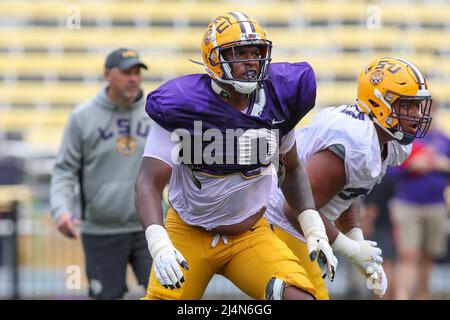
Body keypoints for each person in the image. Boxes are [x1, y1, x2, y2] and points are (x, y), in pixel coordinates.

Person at [135, 12, 337, 300]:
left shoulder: (278, 102)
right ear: (214, 59)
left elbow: (292, 170)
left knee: (301, 298)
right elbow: (147, 183)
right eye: (239, 54)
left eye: (256, 53)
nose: (250, 62)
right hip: (188, 231)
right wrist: (158, 242)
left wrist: (313, 227)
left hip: (250, 234)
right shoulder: (184, 105)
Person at [265, 57, 433, 299]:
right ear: (379, 103)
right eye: (408, 105)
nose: (416, 114)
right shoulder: (357, 142)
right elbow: (294, 206)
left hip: (297, 227)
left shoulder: (384, 141)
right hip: (277, 222)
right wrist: (350, 249)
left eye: (418, 106)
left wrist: (357, 237)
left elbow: (349, 188)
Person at [50, 48, 153, 299]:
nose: (133, 78)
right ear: (107, 74)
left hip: (150, 228)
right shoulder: (83, 117)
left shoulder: (156, 113)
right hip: (101, 232)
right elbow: (64, 169)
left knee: (168, 295)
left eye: (137, 72)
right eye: (126, 72)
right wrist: (61, 210)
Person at [390, 101, 450, 300]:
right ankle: (403, 295)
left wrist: (443, 166)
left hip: (436, 205)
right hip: (408, 204)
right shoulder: (405, 139)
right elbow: (387, 171)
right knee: (408, 254)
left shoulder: (444, 140)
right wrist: (411, 167)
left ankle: (422, 295)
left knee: (428, 256)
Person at [361, 172, 398, 300]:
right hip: (387, 224)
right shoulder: (388, 174)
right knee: (386, 264)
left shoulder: (377, 177)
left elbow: (373, 206)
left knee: (381, 265)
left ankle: (382, 297)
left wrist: (367, 223)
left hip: (379, 226)